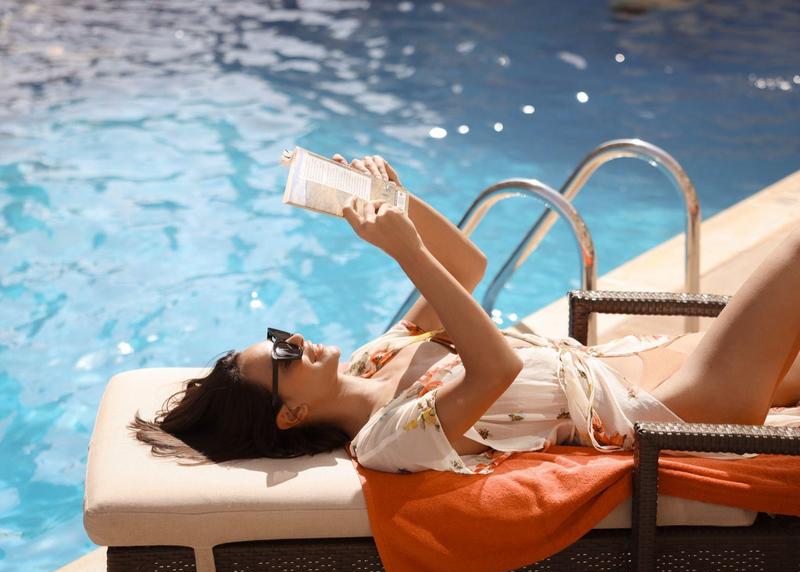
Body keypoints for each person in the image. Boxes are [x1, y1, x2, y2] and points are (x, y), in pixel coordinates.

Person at [130, 154, 800, 474]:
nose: (295, 339)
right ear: (290, 414)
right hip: (675, 409)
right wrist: (406, 252)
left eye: (279, 334)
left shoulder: (376, 357)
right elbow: (494, 368)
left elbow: (467, 267)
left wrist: (391, 199)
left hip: (646, 361)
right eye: (282, 354)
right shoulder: (388, 440)